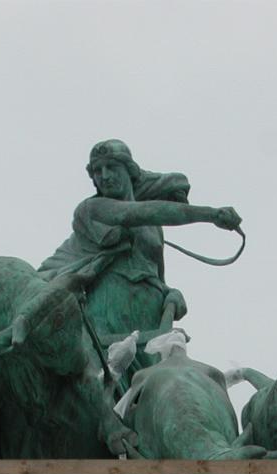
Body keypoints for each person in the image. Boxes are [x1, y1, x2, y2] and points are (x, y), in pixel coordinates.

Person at [38, 140, 241, 379]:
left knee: (153, 394)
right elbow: (139, 212)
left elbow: (155, 271)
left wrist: (169, 293)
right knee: (108, 384)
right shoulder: (91, 209)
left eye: (111, 167)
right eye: (97, 170)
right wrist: (211, 214)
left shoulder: (153, 227)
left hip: (152, 320)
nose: (104, 176)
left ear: (130, 171)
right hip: (109, 311)